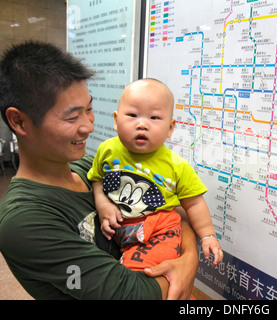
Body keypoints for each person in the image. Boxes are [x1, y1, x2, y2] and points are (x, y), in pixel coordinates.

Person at [0, 40, 199, 300]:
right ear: (19, 121)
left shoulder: (93, 168)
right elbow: (136, 295)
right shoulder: (25, 220)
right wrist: (184, 270)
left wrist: (190, 258)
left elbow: (174, 210)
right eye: (72, 117)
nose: (89, 126)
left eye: (89, 109)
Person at [88, 78, 223, 271]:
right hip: (116, 227)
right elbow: (97, 180)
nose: (142, 124)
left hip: (158, 230)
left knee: (140, 273)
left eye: (154, 118)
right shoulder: (107, 150)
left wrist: (208, 235)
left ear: (170, 128)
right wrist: (103, 205)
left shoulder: (177, 166)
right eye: (133, 115)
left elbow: (194, 203)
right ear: (116, 121)